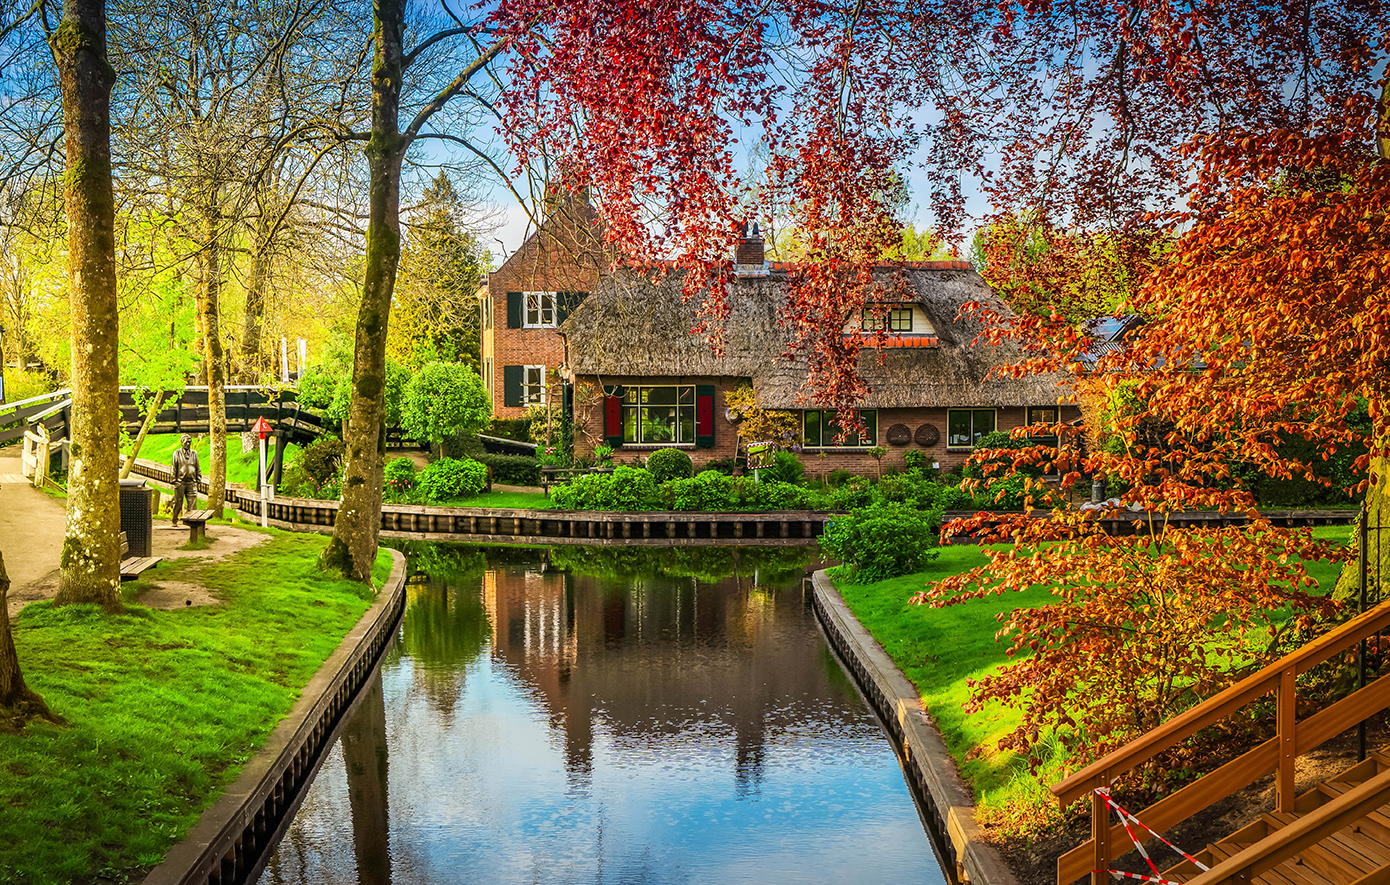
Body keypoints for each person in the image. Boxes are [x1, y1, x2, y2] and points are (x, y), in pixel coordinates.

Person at [171, 434, 201, 526]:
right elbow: (173, 467)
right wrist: (174, 480)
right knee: (178, 503)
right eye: (186, 442)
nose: (188, 444)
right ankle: (174, 519)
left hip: (191, 482)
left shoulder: (194, 454)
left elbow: (197, 467)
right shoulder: (176, 453)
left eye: (189, 442)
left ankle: (191, 522)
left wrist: (198, 478)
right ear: (181, 442)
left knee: (192, 504)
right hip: (180, 482)